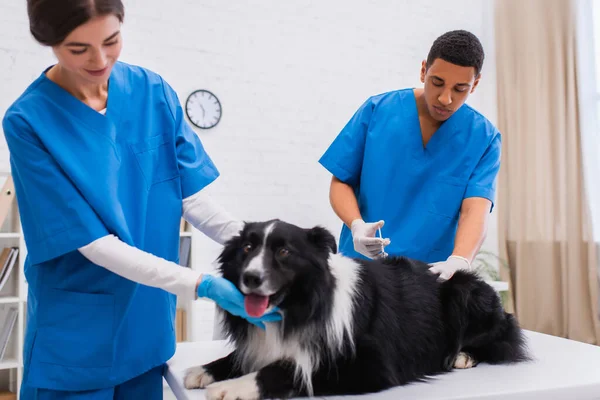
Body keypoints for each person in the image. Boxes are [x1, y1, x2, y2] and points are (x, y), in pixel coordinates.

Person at [2, 1, 280, 398]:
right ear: (48, 41)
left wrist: (268, 249)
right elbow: (94, 245)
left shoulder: (152, 93)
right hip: (77, 337)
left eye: (111, 41)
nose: (100, 60)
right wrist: (200, 285)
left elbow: (190, 199)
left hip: (146, 325)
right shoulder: (29, 122)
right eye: (78, 49)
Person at [319, 30, 501, 281]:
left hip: (429, 277)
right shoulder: (377, 111)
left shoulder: (484, 138)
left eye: (460, 89)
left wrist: (460, 259)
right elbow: (341, 181)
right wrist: (356, 225)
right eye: (437, 82)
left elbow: (475, 210)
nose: (445, 98)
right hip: (362, 270)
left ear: (475, 84)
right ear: (423, 70)